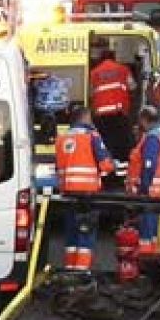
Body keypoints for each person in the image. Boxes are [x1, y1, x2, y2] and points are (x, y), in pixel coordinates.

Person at [56, 106, 115, 270]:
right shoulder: (92, 136)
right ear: (85, 117)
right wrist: (112, 164)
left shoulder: (62, 138)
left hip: (68, 194)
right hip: (87, 195)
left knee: (71, 234)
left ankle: (70, 269)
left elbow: (59, 169)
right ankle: (82, 272)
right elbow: (106, 165)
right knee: (86, 233)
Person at [128, 106, 160, 256]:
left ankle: (146, 259)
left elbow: (149, 165)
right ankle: (156, 255)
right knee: (157, 231)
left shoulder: (153, 137)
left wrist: (142, 189)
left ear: (143, 120)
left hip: (152, 192)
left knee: (148, 232)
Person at [90, 48, 136, 159]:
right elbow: (132, 86)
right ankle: (121, 166)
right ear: (114, 58)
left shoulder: (94, 72)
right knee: (122, 146)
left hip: (101, 118)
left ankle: (107, 167)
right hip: (119, 115)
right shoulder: (123, 69)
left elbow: (90, 93)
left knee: (105, 145)